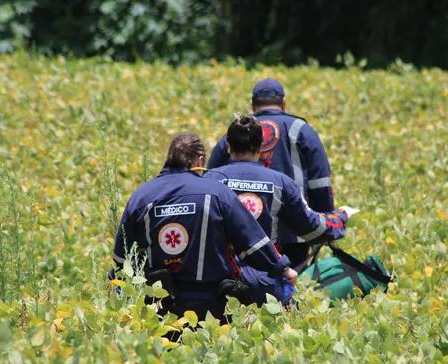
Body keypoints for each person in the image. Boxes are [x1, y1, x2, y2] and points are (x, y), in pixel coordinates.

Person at [111, 132, 297, 323]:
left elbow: (122, 256)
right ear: (200, 160)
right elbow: (253, 242)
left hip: (161, 307)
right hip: (212, 307)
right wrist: (282, 268)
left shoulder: (142, 196)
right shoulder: (217, 193)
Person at [205, 115, 357, 306]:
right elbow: (311, 226)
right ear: (261, 147)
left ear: (228, 146)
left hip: (217, 285)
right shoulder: (280, 183)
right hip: (266, 287)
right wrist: (340, 217)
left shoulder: (208, 181)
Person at [208, 78, 336, 266]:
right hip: (294, 233)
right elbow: (320, 184)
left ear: (253, 105)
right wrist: (324, 228)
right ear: (283, 103)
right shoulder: (301, 130)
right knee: (292, 287)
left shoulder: (235, 133)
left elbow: (208, 183)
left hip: (242, 236)